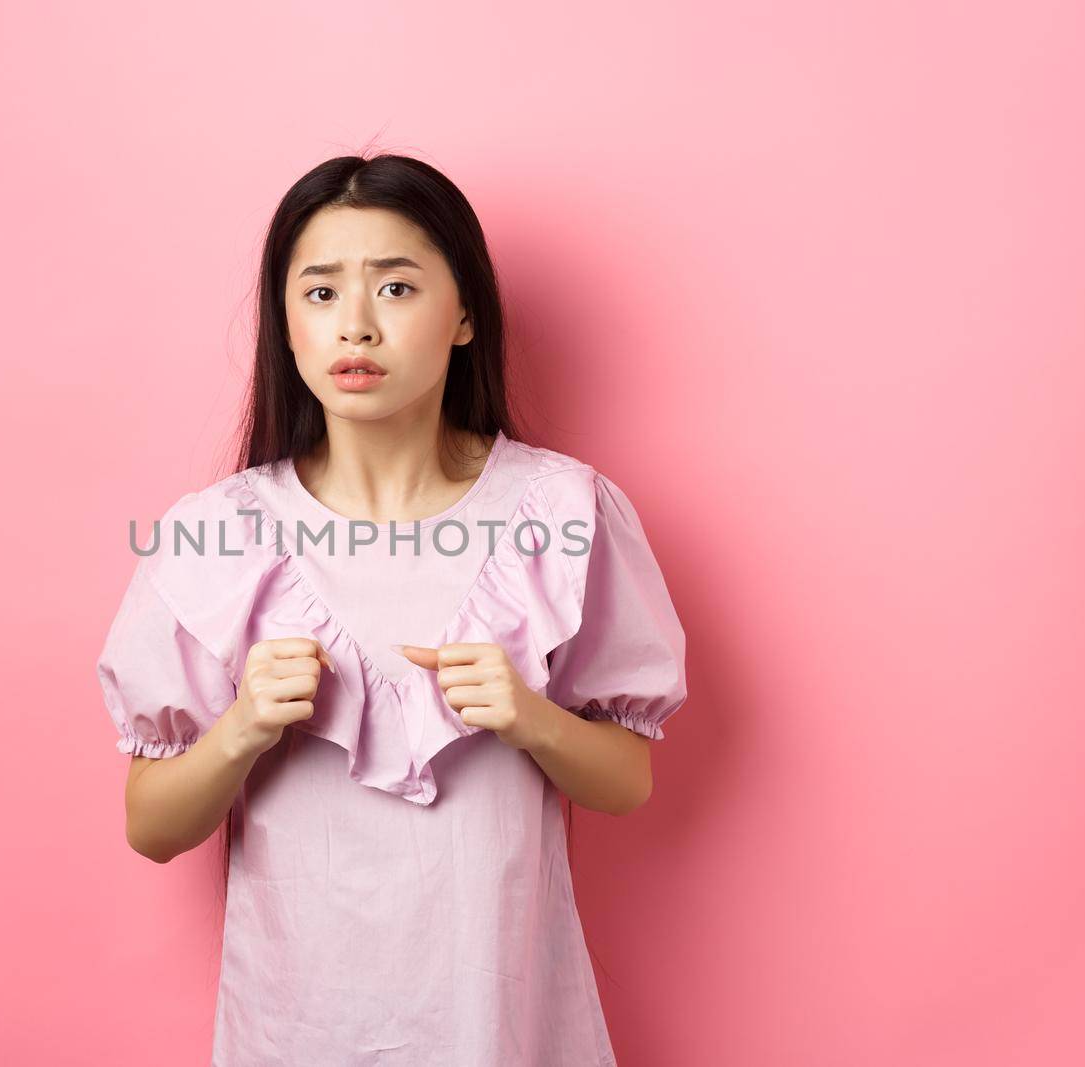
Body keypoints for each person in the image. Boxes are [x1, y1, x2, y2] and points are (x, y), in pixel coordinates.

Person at [95, 153, 689, 1065]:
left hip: (502, 1029)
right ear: (285, 324)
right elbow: (152, 826)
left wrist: (532, 720)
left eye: (398, 287)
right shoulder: (216, 535)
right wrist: (244, 727)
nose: (357, 326)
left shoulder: (562, 513)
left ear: (462, 317)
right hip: (297, 1033)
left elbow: (629, 782)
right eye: (321, 293)